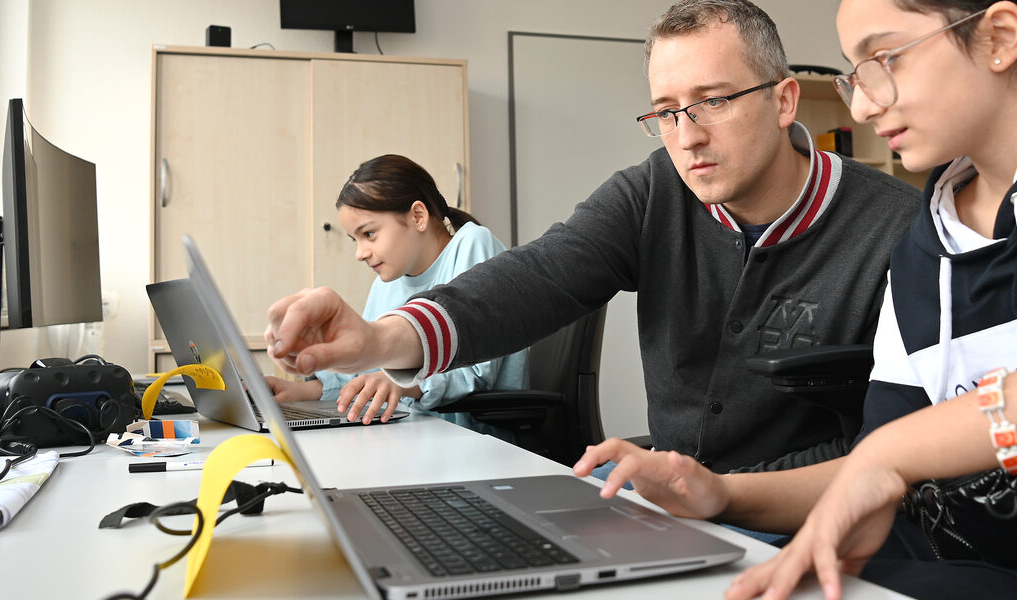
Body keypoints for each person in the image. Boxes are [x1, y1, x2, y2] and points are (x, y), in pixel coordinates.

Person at [573, 0, 1017, 598]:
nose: (864, 105)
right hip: (971, 555)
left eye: (885, 59)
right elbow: (871, 469)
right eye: (854, 74)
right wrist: (721, 493)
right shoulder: (926, 244)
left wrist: (895, 454)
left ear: (999, 37)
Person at [264, 0, 919, 475]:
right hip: (674, 499)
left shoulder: (892, 225)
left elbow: (895, 445)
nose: (686, 135)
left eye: (713, 101)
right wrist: (381, 341)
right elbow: (537, 276)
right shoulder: (655, 189)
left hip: (808, 516)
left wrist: (723, 494)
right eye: (665, 111)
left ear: (783, 101)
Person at [263, 154, 527, 439]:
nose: (359, 253)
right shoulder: (388, 279)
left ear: (418, 216)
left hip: (470, 441)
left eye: (369, 234)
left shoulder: (473, 245)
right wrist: (301, 392)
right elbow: (367, 373)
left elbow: (475, 372)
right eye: (355, 239)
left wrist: (403, 383)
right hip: (408, 435)